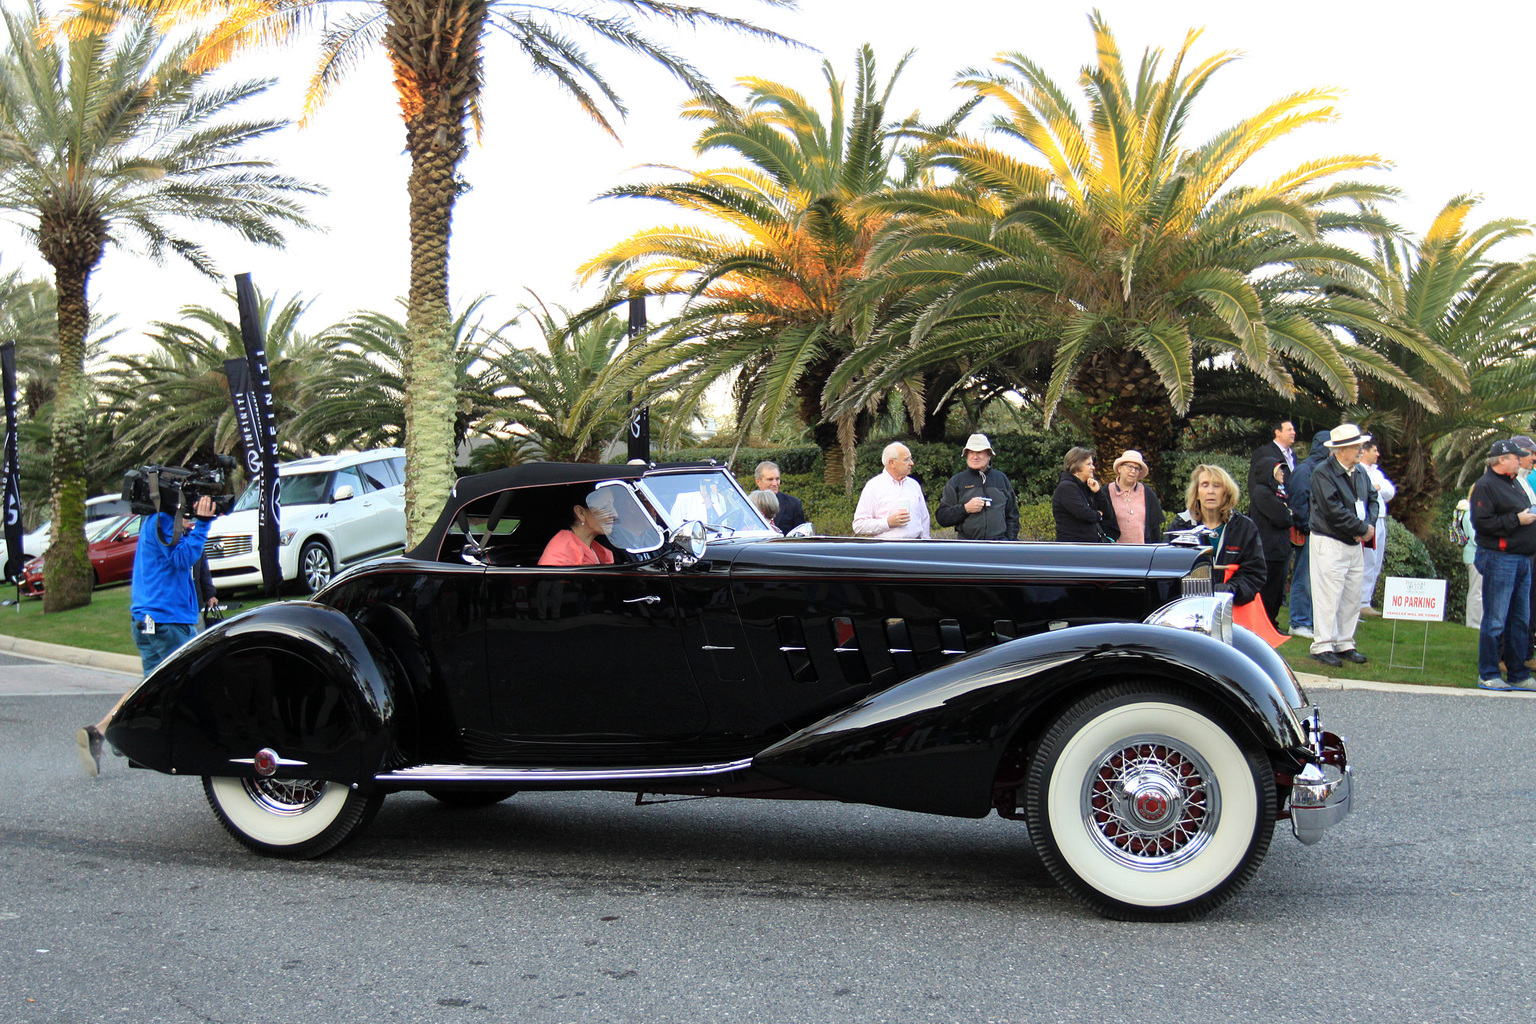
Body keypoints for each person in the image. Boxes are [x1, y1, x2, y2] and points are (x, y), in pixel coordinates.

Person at [77, 493, 220, 777]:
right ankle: (211, 749)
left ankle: (102, 732)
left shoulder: (153, 522)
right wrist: (203, 524)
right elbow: (183, 559)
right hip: (167, 619)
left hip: (147, 619)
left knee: (150, 688)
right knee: (191, 682)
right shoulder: (163, 522)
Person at [1307, 423, 1378, 668]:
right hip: (1330, 541)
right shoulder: (1322, 472)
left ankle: (1345, 642)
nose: (1361, 449)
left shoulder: (1360, 473)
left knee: (1352, 593)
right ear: (1341, 450)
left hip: (1353, 542)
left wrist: (1368, 525)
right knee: (1328, 594)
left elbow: (1372, 499)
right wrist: (1362, 529)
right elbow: (1332, 510)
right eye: (1355, 446)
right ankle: (1323, 644)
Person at [1470, 439, 1536, 691]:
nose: (1521, 461)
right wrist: (1516, 520)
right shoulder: (1485, 486)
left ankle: (1518, 672)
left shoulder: (1514, 484)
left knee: (1520, 619)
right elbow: (1483, 523)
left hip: (1522, 558)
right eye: (1516, 457)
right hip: (1500, 557)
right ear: (1501, 460)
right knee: (1496, 617)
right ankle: (1488, 672)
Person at [1167, 464, 1267, 608]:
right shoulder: (1180, 527)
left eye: (1217, 486)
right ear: (1196, 492)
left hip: (1232, 609)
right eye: (1205, 485)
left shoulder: (1245, 528)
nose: (1211, 491)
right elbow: (1167, 571)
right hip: (1187, 607)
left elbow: (1255, 573)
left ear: (1226, 492)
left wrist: (1231, 589)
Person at [1285, 429, 1334, 638]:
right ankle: (1299, 622)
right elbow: (1298, 502)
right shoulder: (1306, 470)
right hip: (1311, 534)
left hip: (1321, 533)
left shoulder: (1320, 469)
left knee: (1316, 579)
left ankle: (1310, 621)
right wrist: (1308, 528)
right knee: (1304, 578)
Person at [936, 433, 1020, 540]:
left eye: (979, 452)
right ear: (966, 455)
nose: (975, 457)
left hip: (999, 548)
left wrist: (1009, 542)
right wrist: (965, 508)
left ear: (989, 455)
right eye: (971, 452)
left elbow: (1012, 516)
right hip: (968, 549)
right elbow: (942, 517)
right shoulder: (956, 481)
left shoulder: (1001, 479)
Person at [1248, 454, 1292, 629]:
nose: (1282, 473)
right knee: (1269, 590)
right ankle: (1266, 625)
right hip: (1269, 551)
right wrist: (1287, 514)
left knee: (1276, 589)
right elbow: (1283, 518)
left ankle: (1271, 623)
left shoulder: (1275, 493)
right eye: (1278, 469)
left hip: (1278, 549)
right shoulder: (1262, 493)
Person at [853, 443, 930, 539]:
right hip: (886, 549)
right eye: (906, 460)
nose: (911, 463)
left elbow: (924, 519)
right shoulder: (873, 486)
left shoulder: (914, 485)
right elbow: (859, 525)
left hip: (915, 548)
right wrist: (887, 523)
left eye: (910, 459)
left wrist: (926, 543)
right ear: (892, 463)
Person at [1357, 440, 1395, 617]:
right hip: (1368, 520)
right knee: (1367, 559)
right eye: (1374, 450)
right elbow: (1365, 491)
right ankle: (1360, 601)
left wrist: (1378, 488)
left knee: (1376, 560)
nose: (1377, 454)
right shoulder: (1359, 469)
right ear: (1364, 451)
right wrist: (1376, 488)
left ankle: (1366, 599)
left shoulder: (1377, 472)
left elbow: (1389, 491)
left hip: (1380, 519)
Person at [1052, 446, 1117, 542]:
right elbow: (1084, 514)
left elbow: (1108, 514)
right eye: (1089, 464)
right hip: (1073, 548)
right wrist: (1098, 515)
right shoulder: (1066, 488)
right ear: (1077, 467)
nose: (1093, 467)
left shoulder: (1087, 487)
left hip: (1091, 545)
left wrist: (1098, 492)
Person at [1103, 449, 1164, 543]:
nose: (1133, 471)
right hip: (1114, 553)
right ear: (1120, 468)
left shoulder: (1147, 493)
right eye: (1129, 467)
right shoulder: (1106, 492)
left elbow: (1154, 529)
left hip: (1142, 552)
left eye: (1137, 468)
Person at [538, 495, 617, 566]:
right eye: (605, 507)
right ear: (580, 512)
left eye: (613, 506)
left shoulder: (595, 548)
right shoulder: (561, 555)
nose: (615, 514)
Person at [754, 460, 807, 534]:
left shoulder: (793, 504)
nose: (775, 484)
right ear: (758, 482)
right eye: (770, 479)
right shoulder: (749, 505)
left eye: (777, 479)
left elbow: (801, 536)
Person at [1456, 490, 1480, 629]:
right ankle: (1473, 624)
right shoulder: (1470, 513)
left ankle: (1478, 622)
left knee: (1480, 592)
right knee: (1476, 592)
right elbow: (1476, 537)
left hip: (1479, 556)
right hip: (1474, 557)